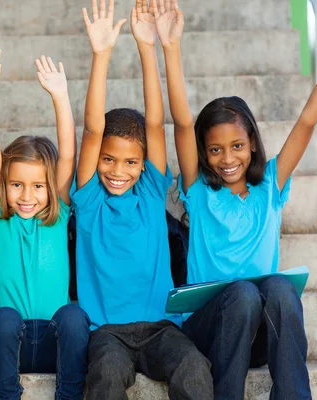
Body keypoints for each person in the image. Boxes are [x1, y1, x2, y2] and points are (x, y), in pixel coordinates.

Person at [162, 0, 317, 397]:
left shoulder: (269, 187)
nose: (227, 158)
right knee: (240, 292)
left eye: (237, 145)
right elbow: (183, 123)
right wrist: (170, 49)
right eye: (216, 150)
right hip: (209, 330)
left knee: (278, 289)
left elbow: (308, 120)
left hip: (259, 336)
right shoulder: (199, 193)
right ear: (204, 154)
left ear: (252, 144)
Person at [70, 1, 213, 399]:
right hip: (107, 333)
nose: (119, 170)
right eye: (109, 160)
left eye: (131, 161)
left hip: (161, 328)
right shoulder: (89, 201)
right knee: (106, 375)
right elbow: (92, 128)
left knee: (194, 367)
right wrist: (102, 56)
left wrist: (148, 49)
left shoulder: (151, 191)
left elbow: (155, 122)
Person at [0, 47, 90, 399]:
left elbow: (68, 154)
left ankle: (69, 394)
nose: (26, 195)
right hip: (8, 342)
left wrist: (60, 95)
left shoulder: (58, 214)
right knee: (4, 317)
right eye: (16, 185)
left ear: (51, 188)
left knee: (73, 315)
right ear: (3, 186)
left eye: (38, 186)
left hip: (54, 339)